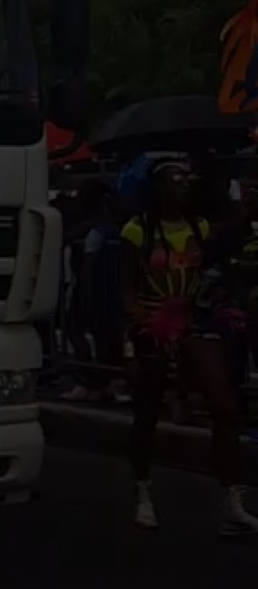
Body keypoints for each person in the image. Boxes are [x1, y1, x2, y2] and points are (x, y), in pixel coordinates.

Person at [121, 157, 258, 533]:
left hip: (193, 323)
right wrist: (134, 334)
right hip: (152, 325)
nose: (182, 184)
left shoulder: (198, 228)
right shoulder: (137, 231)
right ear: (156, 187)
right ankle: (143, 490)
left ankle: (231, 500)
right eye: (173, 178)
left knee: (224, 406)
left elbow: (228, 240)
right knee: (148, 411)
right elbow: (127, 289)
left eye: (186, 178)